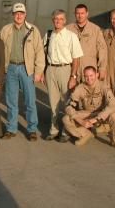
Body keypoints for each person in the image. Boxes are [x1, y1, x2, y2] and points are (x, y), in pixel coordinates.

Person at [0, 3, 45, 141]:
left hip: (27, 69)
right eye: (16, 13)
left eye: (21, 13)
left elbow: (39, 52)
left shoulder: (33, 30)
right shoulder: (6, 30)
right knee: (11, 101)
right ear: (13, 15)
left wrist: (38, 71)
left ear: (25, 14)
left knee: (30, 101)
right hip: (11, 68)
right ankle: (11, 128)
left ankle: (31, 129)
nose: (19, 15)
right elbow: (0, 50)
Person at [62, 66, 115, 150]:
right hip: (87, 113)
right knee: (66, 118)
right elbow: (69, 106)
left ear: (97, 75)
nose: (89, 78)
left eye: (91, 75)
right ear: (83, 77)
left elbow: (113, 105)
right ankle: (86, 134)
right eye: (86, 76)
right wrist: (80, 121)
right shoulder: (80, 88)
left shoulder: (103, 86)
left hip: (101, 114)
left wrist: (97, 119)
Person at [42, 9, 83, 142]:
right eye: (56, 19)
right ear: (53, 20)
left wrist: (73, 76)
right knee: (53, 102)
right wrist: (43, 72)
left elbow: (76, 58)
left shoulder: (71, 36)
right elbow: (43, 54)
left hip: (65, 69)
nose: (58, 21)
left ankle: (66, 131)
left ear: (65, 21)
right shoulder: (48, 35)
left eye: (61, 19)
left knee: (67, 102)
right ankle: (54, 130)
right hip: (51, 70)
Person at [66, 4, 107, 82]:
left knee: (89, 93)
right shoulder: (68, 29)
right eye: (78, 13)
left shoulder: (95, 29)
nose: (80, 16)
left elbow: (102, 50)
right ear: (75, 14)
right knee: (73, 93)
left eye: (82, 13)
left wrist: (102, 68)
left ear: (87, 14)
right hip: (73, 70)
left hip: (89, 70)